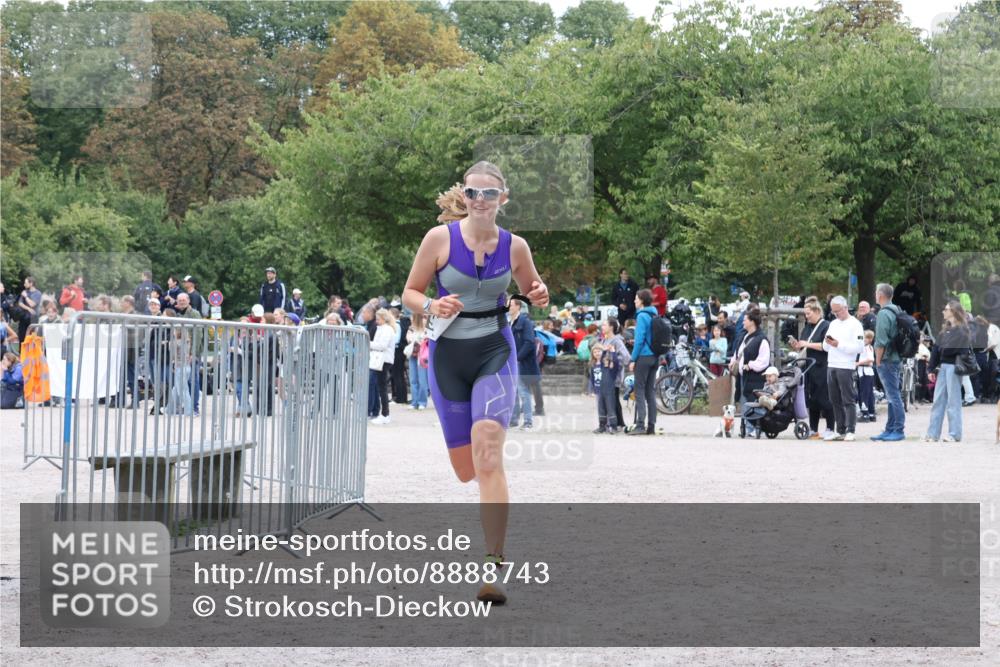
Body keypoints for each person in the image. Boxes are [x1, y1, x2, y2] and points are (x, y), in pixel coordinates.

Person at [402, 161, 549, 605]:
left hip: (494, 350)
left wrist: (538, 294)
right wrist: (430, 304)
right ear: (463, 197)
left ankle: (494, 566)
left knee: (488, 455)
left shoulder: (516, 246)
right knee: (467, 470)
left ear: (503, 199)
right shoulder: (438, 239)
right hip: (449, 356)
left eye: (489, 194)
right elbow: (409, 291)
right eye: (472, 193)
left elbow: (531, 288)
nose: (480, 200)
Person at [924, 300, 972, 442]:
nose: (943, 312)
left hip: (953, 367)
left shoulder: (963, 330)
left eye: (946, 309)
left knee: (953, 401)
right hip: (943, 367)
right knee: (938, 401)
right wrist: (931, 369)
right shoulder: (944, 331)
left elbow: (957, 349)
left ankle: (954, 434)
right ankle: (933, 434)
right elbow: (935, 351)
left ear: (954, 312)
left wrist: (943, 348)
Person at [823, 295, 865, 441]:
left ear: (846, 308)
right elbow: (825, 346)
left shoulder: (855, 324)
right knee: (834, 399)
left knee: (848, 398)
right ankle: (840, 429)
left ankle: (850, 429)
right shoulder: (833, 323)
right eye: (833, 312)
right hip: (832, 363)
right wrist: (828, 343)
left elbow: (859, 347)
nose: (836, 314)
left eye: (838, 311)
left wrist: (839, 344)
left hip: (846, 365)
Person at [793, 301, 835, 439]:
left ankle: (830, 427)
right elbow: (804, 345)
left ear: (817, 311)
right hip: (809, 366)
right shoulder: (807, 327)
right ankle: (813, 428)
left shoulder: (826, 326)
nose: (807, 316)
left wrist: (807, 344)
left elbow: (825, 346)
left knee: (825, 398)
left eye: (809, 313)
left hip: (822, 365)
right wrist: (797, 345)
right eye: (805, 314)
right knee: (812, 399)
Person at [871, 283, 905, 441]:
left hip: (887, 359)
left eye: (876, 292)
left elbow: (881, 341)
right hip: (896, 357)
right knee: (892, 395)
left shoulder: (883, 314)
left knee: (893, 396)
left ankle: (898, 429)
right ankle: (890, 428)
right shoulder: (896, 309)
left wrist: (877, 361)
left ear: (880, 295)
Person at [730, 307, 770, 437]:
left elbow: (764, 360)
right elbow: (738, 353)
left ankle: (756, 427)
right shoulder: (744, 336)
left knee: (754, 401)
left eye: (745, 319)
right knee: (744, 400)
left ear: (752, 322)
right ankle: (747, 426)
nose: (743, 322)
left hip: (756, 377)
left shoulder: (762, 339)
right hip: (743, 376)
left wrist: (751, 365)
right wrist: (733, 361)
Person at [626, 289, 659, 435]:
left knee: (639, 390)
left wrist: (633, 359)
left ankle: (640, 424)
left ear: (642, 300)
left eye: (636, 298)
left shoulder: (642, 316)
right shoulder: (654, 314)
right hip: (655, 356)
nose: (634, 300)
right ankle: (651, 425)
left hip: (644, 357)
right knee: (650, 392)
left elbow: (639, 341)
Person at [508, 297, 539, 430]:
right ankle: (514, 420)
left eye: (510, 305)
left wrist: (517, 358)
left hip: (521, 362)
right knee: (513, 392)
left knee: (523, 392)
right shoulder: (509, 322)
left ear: (518, 307)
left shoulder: (525, 322)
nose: (508, 307)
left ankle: (528, 421)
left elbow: (529, 343)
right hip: (512, 362)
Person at [369, 308, 397, 424]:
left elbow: (382, 345)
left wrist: (368, 342)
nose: (376, 321)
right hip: (382, 359)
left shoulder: (387, 329)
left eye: (378, 319)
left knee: (382, 388)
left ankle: (385, 414)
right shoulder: (384, 329)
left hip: (384, 360)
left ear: (384, 318)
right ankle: (384, 413)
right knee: (381, 387)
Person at [406, 312, 429, 410]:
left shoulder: (426, 326)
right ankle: (414, 401)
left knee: (422, 380)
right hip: (413, 354)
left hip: (422, 355)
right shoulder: (411, 328)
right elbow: (408, 339)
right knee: (413, 379)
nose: (410, 318)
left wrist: (417, 340)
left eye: (412, 316)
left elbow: (426, 339)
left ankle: (422, 402)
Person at [857, 330, 876, 422]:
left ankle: (865, 414)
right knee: (869, 393)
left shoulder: (866, 347)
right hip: (867, 372)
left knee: (864, 393)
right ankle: (871, 413)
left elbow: (870, 359)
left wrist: (857, 363)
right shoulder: (869, 347)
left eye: (865, 337)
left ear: (869, 339)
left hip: (865, 371)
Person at [15, 276, 42, 341]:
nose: (24, 284)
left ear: (31, 283)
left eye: (26, 283)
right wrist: (28, 309)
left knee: (31, 338)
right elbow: (20, 303)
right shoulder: (24, 291)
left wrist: (26, 297)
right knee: (22, 337)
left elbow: (32, 304)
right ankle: (21, 351)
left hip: (33, 319)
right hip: (23, 317)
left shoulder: (37, 293)